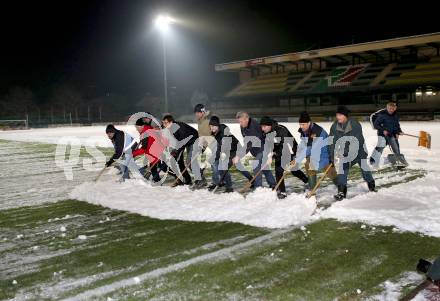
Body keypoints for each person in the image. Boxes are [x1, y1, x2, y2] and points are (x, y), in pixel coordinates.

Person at [329, 106, 376, 201]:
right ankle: (341, 192)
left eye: (340, 115)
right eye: (337, 115)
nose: (338, 117)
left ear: (345, 116)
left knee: (365, 170)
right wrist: (331, 156)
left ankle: (371, 186)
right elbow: (331, 142)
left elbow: (356, 142)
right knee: (343, 169)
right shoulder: (335, 126)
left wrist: (345, 152)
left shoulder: (355, 125)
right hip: (345, 153)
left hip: (359, 151)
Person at [259, 116, 308, 199]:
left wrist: (292, 157)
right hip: (279, 151)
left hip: (290, 149)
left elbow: (287, 145)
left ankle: (306, 181)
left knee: (294, 170)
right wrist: (270, 155)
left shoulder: (281, 130)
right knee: (278, 171)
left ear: (269, 125)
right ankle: (282, 191)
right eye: (261, 126)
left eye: (264, 126)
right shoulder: (266, 132)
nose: (262, 128)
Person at [208, 116, 253, 192]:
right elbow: (219, 146)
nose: (211, 128)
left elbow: (224, 146)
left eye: (213, 126)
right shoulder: (216, 133)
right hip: (229, 150)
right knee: (238, 167)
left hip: (236, 149)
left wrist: (229, 157)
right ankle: (252, 180)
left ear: (217, 125)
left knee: (224, 167)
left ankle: (229, 187)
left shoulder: (224, 133)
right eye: (210, 126)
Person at [234, 112, 276, 189]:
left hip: (264, 148)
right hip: (256, 150)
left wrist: (239, 156)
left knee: (256, 165)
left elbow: (249, 144)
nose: (240, 123)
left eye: (241, 121)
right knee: (263, 167)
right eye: (239, 121)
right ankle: (273, 184)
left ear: (246, 119)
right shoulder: (243, 126)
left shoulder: (254, 125)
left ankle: (258, 187)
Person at [298, 112, 337, 194]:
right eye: (300, 124)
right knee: (309, 165)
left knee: (331, 173)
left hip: (325, 153)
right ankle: (312, 189)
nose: (301, 126)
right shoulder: (304, 130)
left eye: (303, 124)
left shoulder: (317, 131)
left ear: (309, 123)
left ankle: (341, 187)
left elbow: (311, 147)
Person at [162, 115, 199, 187]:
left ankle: (200, 179)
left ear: (171, 122)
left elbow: (182, 142)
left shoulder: (179, 127)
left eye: (165, 123)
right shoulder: (170, 128)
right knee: (179, 161)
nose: (164, 124)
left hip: (194, 140)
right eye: (163, 123)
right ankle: (186, 179)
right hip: (184, 142)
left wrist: (176, 151)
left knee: (190, 160)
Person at [370, 101, 407, 166]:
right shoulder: (382, 115)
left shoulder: (395, 115)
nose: (391, 110)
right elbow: (376, 125)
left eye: (392, 109)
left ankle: (398, 161)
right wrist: (383, 130)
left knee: (396, 147)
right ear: (387, 108)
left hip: (391, 134)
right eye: (390, 108)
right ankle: (373, 161)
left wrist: (398, 132)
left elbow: (396, 125)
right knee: (380, 147)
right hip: (382, 134)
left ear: (395, 108)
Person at [132, 118, 163, 182]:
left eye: (137, 127)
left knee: (160, 167)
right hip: (155, 150)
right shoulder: (147, 129)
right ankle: (157, 180)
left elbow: (144, 148)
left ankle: (179, 177)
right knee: (153, 167)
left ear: (142, 126)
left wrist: (133, 154)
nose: (136, 129)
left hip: (156, 151)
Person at [192, 103, 213, 189]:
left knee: (214, 164)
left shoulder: (207, 121)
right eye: (195, 112)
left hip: (210, 145)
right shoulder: (200, 121)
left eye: (198, 112)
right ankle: (201, 179)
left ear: (202, 112)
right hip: (202, 145)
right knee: (192, 161)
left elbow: (209, 136)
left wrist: (202, 146)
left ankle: (202, 179)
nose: (196, 114)